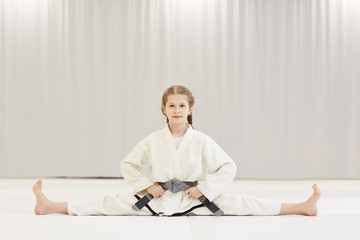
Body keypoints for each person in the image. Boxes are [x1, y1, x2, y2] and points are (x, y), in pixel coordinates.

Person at [32, 85, 321, 216]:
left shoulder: (202, 140)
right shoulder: (153, 140)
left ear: (190, 109)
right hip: (157, 201)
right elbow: (128, 164)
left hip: (192, 199)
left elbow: (228, 167)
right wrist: (147, 186)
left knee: (242, 203)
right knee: (107, 202)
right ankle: (50, 206)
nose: (177, 110)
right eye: (171, 105)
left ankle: (301, 207)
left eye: (182, 105)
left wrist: (205, 189)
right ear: (164, 110)